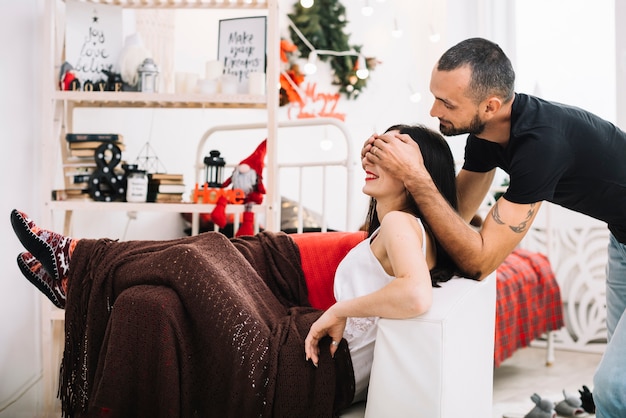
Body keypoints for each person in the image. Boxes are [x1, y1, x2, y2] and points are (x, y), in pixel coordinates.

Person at [12, 124, 467, 416]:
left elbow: (416, 294)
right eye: (376, 145)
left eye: (391, 150)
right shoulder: (389, 228)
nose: (373, 155)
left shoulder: (403, 223)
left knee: (199, 254)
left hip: (305, 369)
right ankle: (79, 275)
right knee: (151, 300)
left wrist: (339, 310)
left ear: (415, 170)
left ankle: (79, 262)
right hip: (301, 350)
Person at [363, 37, 626, 417]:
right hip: (621, 240)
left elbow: (480, 261)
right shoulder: (486, 135)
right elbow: (454, 214)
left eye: (447, 103)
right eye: (435, 96)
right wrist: (391, 188)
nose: (434, 109)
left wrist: (417, 177)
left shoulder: (541, 144)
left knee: (614, 388)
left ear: (491, 105)